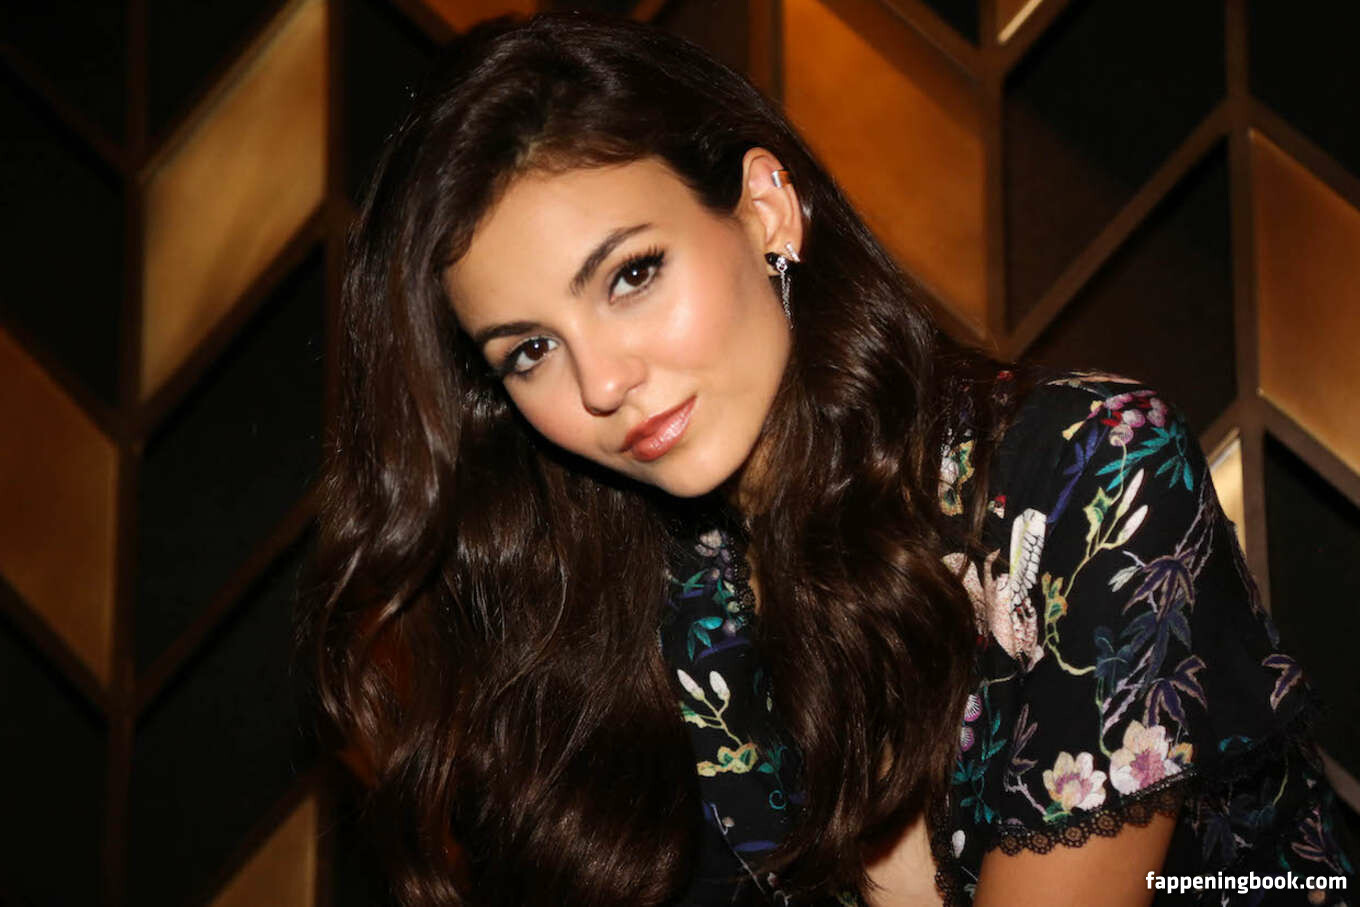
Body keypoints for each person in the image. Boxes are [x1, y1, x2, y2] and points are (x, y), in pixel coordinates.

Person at [297, 10, 1354, 906]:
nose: (602, 383)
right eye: (529, 350)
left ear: (765, 208)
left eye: (631, 275)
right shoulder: (652, 619)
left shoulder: (1089, 476)